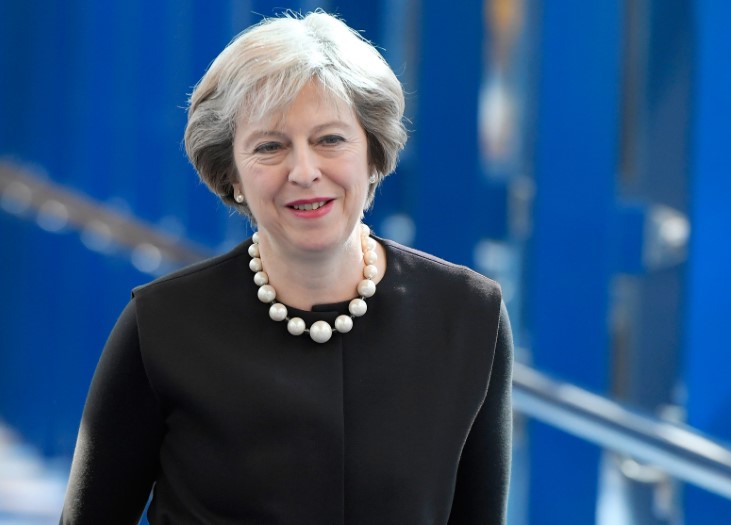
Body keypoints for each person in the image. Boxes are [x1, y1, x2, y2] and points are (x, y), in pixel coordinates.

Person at [60, 10, 513, 525]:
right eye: (270, 146)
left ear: (372, 155)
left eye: (330, 139)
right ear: (231, 175)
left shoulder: (468, 315)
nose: (304, 171)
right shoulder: (161, 325)